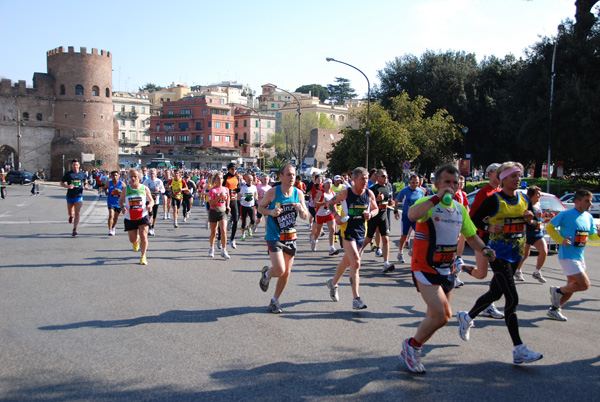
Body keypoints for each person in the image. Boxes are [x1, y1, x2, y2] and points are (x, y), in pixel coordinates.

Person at [399, 165, 495, 374]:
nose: (451, 187)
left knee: (434, 317)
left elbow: (471, 236)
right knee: (443, 316)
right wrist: (435, 198)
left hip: (447, 268)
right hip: (424, 267)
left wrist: (485, 249)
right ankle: (412, 346)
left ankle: (415, 348)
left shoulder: (460, 209)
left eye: (455, 182)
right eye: (447, 183)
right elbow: (412, 215)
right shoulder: (428, 203)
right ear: (437, 185)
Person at [457, 161, 543, 365]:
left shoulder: (523, 198)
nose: (518, 179)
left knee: (495, 293)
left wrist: (530, 220)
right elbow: (473, 220)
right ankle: (519, 348)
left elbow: (535, 224)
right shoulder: (494, 199)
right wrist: (488, 226)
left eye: (519, 175)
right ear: (503, 179)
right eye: (514, 176)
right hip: (497, 254)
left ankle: (467, 317)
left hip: (516, 253)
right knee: (512, 299)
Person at [258, 164, 309, 314]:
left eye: (293, 174)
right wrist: (271, 212)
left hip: (291, 237)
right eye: (288, 174)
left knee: (286, 272)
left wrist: (301, 209)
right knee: (280, 270)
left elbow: (305, 216)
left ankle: (275, 300)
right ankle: (267, 274)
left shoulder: (298, 193)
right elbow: (260, 208)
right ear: (281, 177)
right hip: (274, 236)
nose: (292, 177)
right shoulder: (273, 192)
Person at [325, 167, 378, 310]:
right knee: (356, 262)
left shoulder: (369, 193)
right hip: (348, 232)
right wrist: (336, 217)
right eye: (362, 179)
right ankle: (356, 299)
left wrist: (371, 214)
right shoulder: (345, 193)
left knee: (346, 262)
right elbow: (330, 203)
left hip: (361, 232)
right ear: (354, 180)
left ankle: (333, 283)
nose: (365, 181)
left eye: (367, 179)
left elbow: (376, 208)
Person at [545, 189, 599, 321]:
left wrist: (598, 235)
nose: (590, 204)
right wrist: (560, 240)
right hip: (567, 256)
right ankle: (558, 291)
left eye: (591, 201)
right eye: (587, 201)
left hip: (579, 256)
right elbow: (549, 227)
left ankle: (555, 310)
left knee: (572, 285)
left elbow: (592, 236)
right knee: (584, 284)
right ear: (577, 201)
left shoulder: (589, 217)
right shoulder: (566, 214)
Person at [459, 163, 505, 319]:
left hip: (499, 240)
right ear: (491, 174)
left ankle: (489, 305)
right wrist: (488, 227)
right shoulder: (483, 193)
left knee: (499, 272)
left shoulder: (501, 192)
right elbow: (472, 218)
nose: (502, 175)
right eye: (499, 172)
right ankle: (463, 267)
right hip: (483, 238)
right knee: (481, 274)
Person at [360, 169, 395, 273]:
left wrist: (390, 203)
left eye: (386, 176)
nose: (385, 178)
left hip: (384, 216)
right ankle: (358, 252)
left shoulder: (388, 188)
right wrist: (376, 199)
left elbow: (387, 201)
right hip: (374, 216)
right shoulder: (373, 189)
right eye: (383, 176)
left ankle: (385, 263)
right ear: (377, 177)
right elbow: (366, 202)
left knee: (386, 239)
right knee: (368, 239)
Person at [118, 168, 154, 265]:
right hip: (130, 218)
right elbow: (120, 201)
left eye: (135, 177)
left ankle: (143, 256)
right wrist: (123, 207)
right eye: (131, 177)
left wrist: (150, 206)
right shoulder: (126, 189)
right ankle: (136, 241)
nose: (133, 179)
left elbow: (151, 200)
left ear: (139, 178)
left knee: (144, 236)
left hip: (142, 216)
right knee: (132, 239)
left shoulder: (144, 188)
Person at [514, 186, 548, 283]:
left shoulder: (538, 205)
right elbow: (523, 218)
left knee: (544, 251)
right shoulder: (526, 205)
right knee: (525, 254)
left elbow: (539, 218)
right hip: (527, 232)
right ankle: (517, 270)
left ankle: (537, 272)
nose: (539, 196)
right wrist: (531, 218)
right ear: (531, 195)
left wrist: (546, 216)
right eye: (537, 194)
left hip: (537, 233)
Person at [394, 174, 424, 263]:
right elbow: (396, 201)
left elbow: (423, 203)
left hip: (417, 218)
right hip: (406, 217)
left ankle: (413, 251)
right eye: (413, 182)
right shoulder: (404, 191)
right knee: (404, 235)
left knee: (419, 236)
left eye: (417, 182)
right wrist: (395, 212)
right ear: (409, 182)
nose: (415, 184)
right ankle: (400, 253)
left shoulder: (421, 191)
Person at [60, 159, 89, 236]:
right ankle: (71, 216)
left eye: (76, 165)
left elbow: (85, 180)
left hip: (78, 196)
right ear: (71, 166)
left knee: (77, 213)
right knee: (70, 212)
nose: (75, 166)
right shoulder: (68, 174)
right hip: (70, 195)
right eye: (74, 165)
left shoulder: (82, 174)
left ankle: (74, 229)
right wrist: (67, 186)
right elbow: (61, 183)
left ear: (79, 165)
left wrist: (86, 185)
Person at [311, 178, 339, 255]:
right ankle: (314, 240)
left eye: (331, 183)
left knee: (332, 230)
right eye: (328, 183)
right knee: (319, 232)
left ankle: (332, 248)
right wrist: (324, 203)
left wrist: (335, 214)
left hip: (329, 214)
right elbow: (315, 204)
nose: (330, 184)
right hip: (320, 214)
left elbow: (334, 204)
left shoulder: (333, 193)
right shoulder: (320, 193)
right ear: (324, 184)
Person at [208, 171, 230, 259]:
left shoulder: (226, 189)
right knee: (213, 232)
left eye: (221, 178)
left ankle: (224, 250)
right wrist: (218, 198)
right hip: (214, 211)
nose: (220, 180)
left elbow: (227, 198)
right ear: (215, 180)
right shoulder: (212, 190)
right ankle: (211, 248)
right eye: (218, 179)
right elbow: (211, 203)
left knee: (224, 231)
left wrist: (228, 206)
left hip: (222, 212)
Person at [453, 175, 470, 286]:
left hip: (461, 224)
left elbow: (467, 208)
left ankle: (455, 273)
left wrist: (466, 220)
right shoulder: (452, 194)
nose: (461, 183)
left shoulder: (463, 194)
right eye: (459, 181)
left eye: (463, 181)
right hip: (453, 225)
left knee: (460, 243)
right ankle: (452, 276)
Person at [143, 168, 165, 237]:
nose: (152, 175)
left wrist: (159, 190)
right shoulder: (147, 181)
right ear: (149, 174)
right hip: (148, 200)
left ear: (156, 174)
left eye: (153, 173)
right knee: (150, 214)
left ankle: (152, 226)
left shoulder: (159, 181)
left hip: (156, 200)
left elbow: (163, 190)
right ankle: (150, 228)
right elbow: (143, 189)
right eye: (151, 173)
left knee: (154, 216)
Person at [223, 163, 240, 249]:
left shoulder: (237, 177)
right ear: (229, 169)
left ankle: (232, 239)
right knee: (223, 221)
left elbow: (237, 187)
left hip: (234, 201)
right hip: (225, 201)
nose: (234, 171)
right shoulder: (225, 177)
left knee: (236, 220)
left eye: (235, 169)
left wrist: (238, 189)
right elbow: (221, 188)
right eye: (232, 169)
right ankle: (219, 239)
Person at [104, 171, 125, 236]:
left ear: (119, 176)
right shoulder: (109, 183)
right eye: (113, 176)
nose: (115, 177)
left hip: (118, 203)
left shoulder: (121, 183)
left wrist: (120, 191)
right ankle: (110, 229)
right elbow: (105, 188)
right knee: (111, 215)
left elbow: (126, 192)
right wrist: (106, 192)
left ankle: (113, 227)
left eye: (116, 175)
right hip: (111, 202)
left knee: (116, 217)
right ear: (111, 176)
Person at [239, 173, 258, 241]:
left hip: (251, 206)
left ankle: (249, 227)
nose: (250, 181)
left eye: (251, 180)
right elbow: (238, 197)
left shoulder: (254, 187)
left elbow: (256, 193)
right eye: (249, 180)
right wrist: (244, 198)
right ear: (246, 180)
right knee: (243, 222)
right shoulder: (243, 187)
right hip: (244, 206)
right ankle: (243, 234)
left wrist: (255, 199)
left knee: (253, 220)